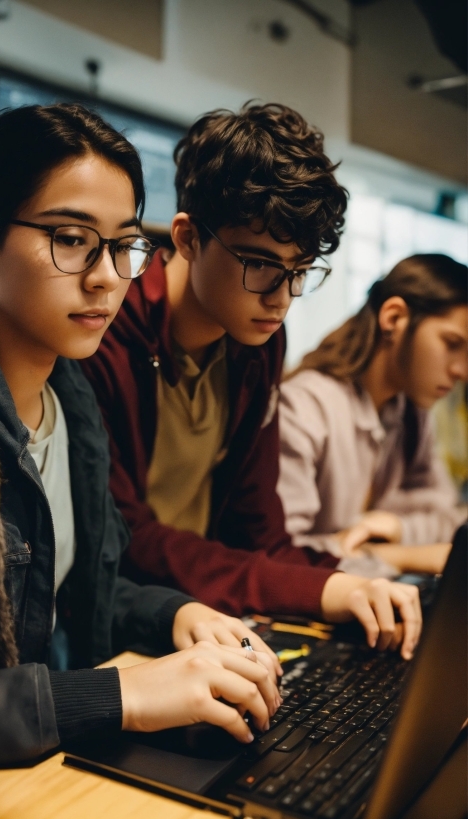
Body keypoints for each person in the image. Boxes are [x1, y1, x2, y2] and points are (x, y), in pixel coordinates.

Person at [0, 104, 285, 810]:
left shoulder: (71, 402)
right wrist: (116, 692)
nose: (105, 279)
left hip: (44, 776)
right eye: (70, 240)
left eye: (122, 245)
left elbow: (78, 595)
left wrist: (175, 615)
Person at [81, 103, 422, 659]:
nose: (281, 298)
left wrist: (354, 583)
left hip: (213, 624)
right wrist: (324, 588)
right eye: (260, 264)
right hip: (122, 632)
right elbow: (128, 538)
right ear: (189, 238)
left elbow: (258, 531)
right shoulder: (106, 334)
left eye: (299, 272)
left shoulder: (257, 343)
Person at [278, 254, 467, 574]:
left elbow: (454, 518)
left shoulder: (409, 411)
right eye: (452, 344)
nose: (462, 370)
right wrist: (402, 556)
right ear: (393, 318)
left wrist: (396, 527)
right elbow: (279, 555)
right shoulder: (305, 409)